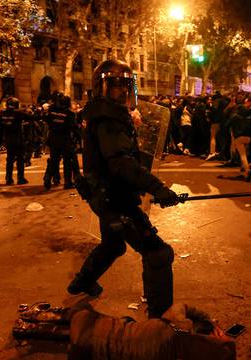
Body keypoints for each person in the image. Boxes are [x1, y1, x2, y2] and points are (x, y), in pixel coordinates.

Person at [71, 59, 180, 318]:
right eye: (115, 85)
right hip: (115, 198)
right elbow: (120, 163)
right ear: (102, 88)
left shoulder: (105, 113)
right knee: (158, 253)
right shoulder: (108, 118)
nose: (122, 91)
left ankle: (82, 282)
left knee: (113, 245)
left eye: (125, 85)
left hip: (106, 195)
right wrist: (157, 188)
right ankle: (161, 320)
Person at [14, 302, 236, 360]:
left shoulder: (177, 328)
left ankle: (32, 316)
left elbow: (180, 308)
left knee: (82, 317)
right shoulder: (177, 352)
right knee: (87, 335)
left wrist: (211, 324)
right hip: (94, 353)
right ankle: (27, 330)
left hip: (98, 331)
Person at [43, 92, 77, 190]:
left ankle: (48, 177)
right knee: (67, 161)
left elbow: (47, 120)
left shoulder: (52, 111)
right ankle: (68, 182)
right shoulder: (69, 113)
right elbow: (73, 127)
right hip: (65, 139)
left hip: (53, 138)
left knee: (54, 160)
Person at [0, 97, 29, 185]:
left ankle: (9, 178)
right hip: (18, 139)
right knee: (20, 160)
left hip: (9, 140)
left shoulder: (3, 113)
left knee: (10, 160)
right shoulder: (18, 113)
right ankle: (20, 179)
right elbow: (31, 117)